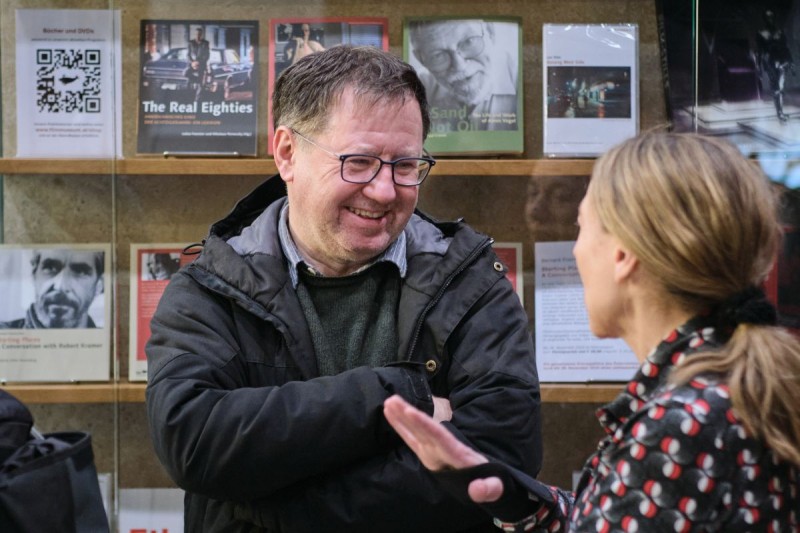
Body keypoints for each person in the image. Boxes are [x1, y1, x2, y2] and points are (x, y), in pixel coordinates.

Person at [146, 44, 542, 532]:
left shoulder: (469, 282)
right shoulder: (210, 288)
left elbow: (503, 453)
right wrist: (402, 395)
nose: (383, 190)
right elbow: (195, 440)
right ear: (287, 153)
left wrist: (266, 509)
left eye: (405, 165)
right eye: (358, 162)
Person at [384, 132, 800, 531]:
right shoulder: (724, 392)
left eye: (582, 228)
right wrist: (514, 495)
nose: (576, 249)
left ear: (622, 255)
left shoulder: (679, 426)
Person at [408, 19, 518, 132]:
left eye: (469, 42)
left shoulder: (524, 81)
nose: (460, 66)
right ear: (421, 60)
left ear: (490, 32)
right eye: (438, 55)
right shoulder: (416, 91)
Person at [0, 249, 104, 329]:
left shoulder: (109, 342)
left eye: (80, 271)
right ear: (33, 276)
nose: (60, 286)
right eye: (50, 268)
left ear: (99, 285)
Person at [756, 8, 794, 122]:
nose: (770, 19)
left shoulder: (780, 32)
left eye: (771, 16)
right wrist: (759, 67)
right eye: (767, 17)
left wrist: (791, 62)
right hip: (769, 62)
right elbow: (759, 51)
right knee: (776, 88)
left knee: (780, 88)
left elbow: (786, 47)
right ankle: (780, 113)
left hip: (782, 61)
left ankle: (780, 112)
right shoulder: (761, 33)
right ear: (764, 19)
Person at [187, 26, 210, 101]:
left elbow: (207, 55)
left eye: (199, 34)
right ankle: (197, 80)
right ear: (195, 34)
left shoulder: (205, 43)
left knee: (200, 85)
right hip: (192, 64)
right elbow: (188, 54)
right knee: (185, 73)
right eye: (197, 34)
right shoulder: (191, 43)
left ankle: (197, 100)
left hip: (201, 65)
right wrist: (192, 62)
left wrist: (199, 62)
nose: (198, 35)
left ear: (201, 35)